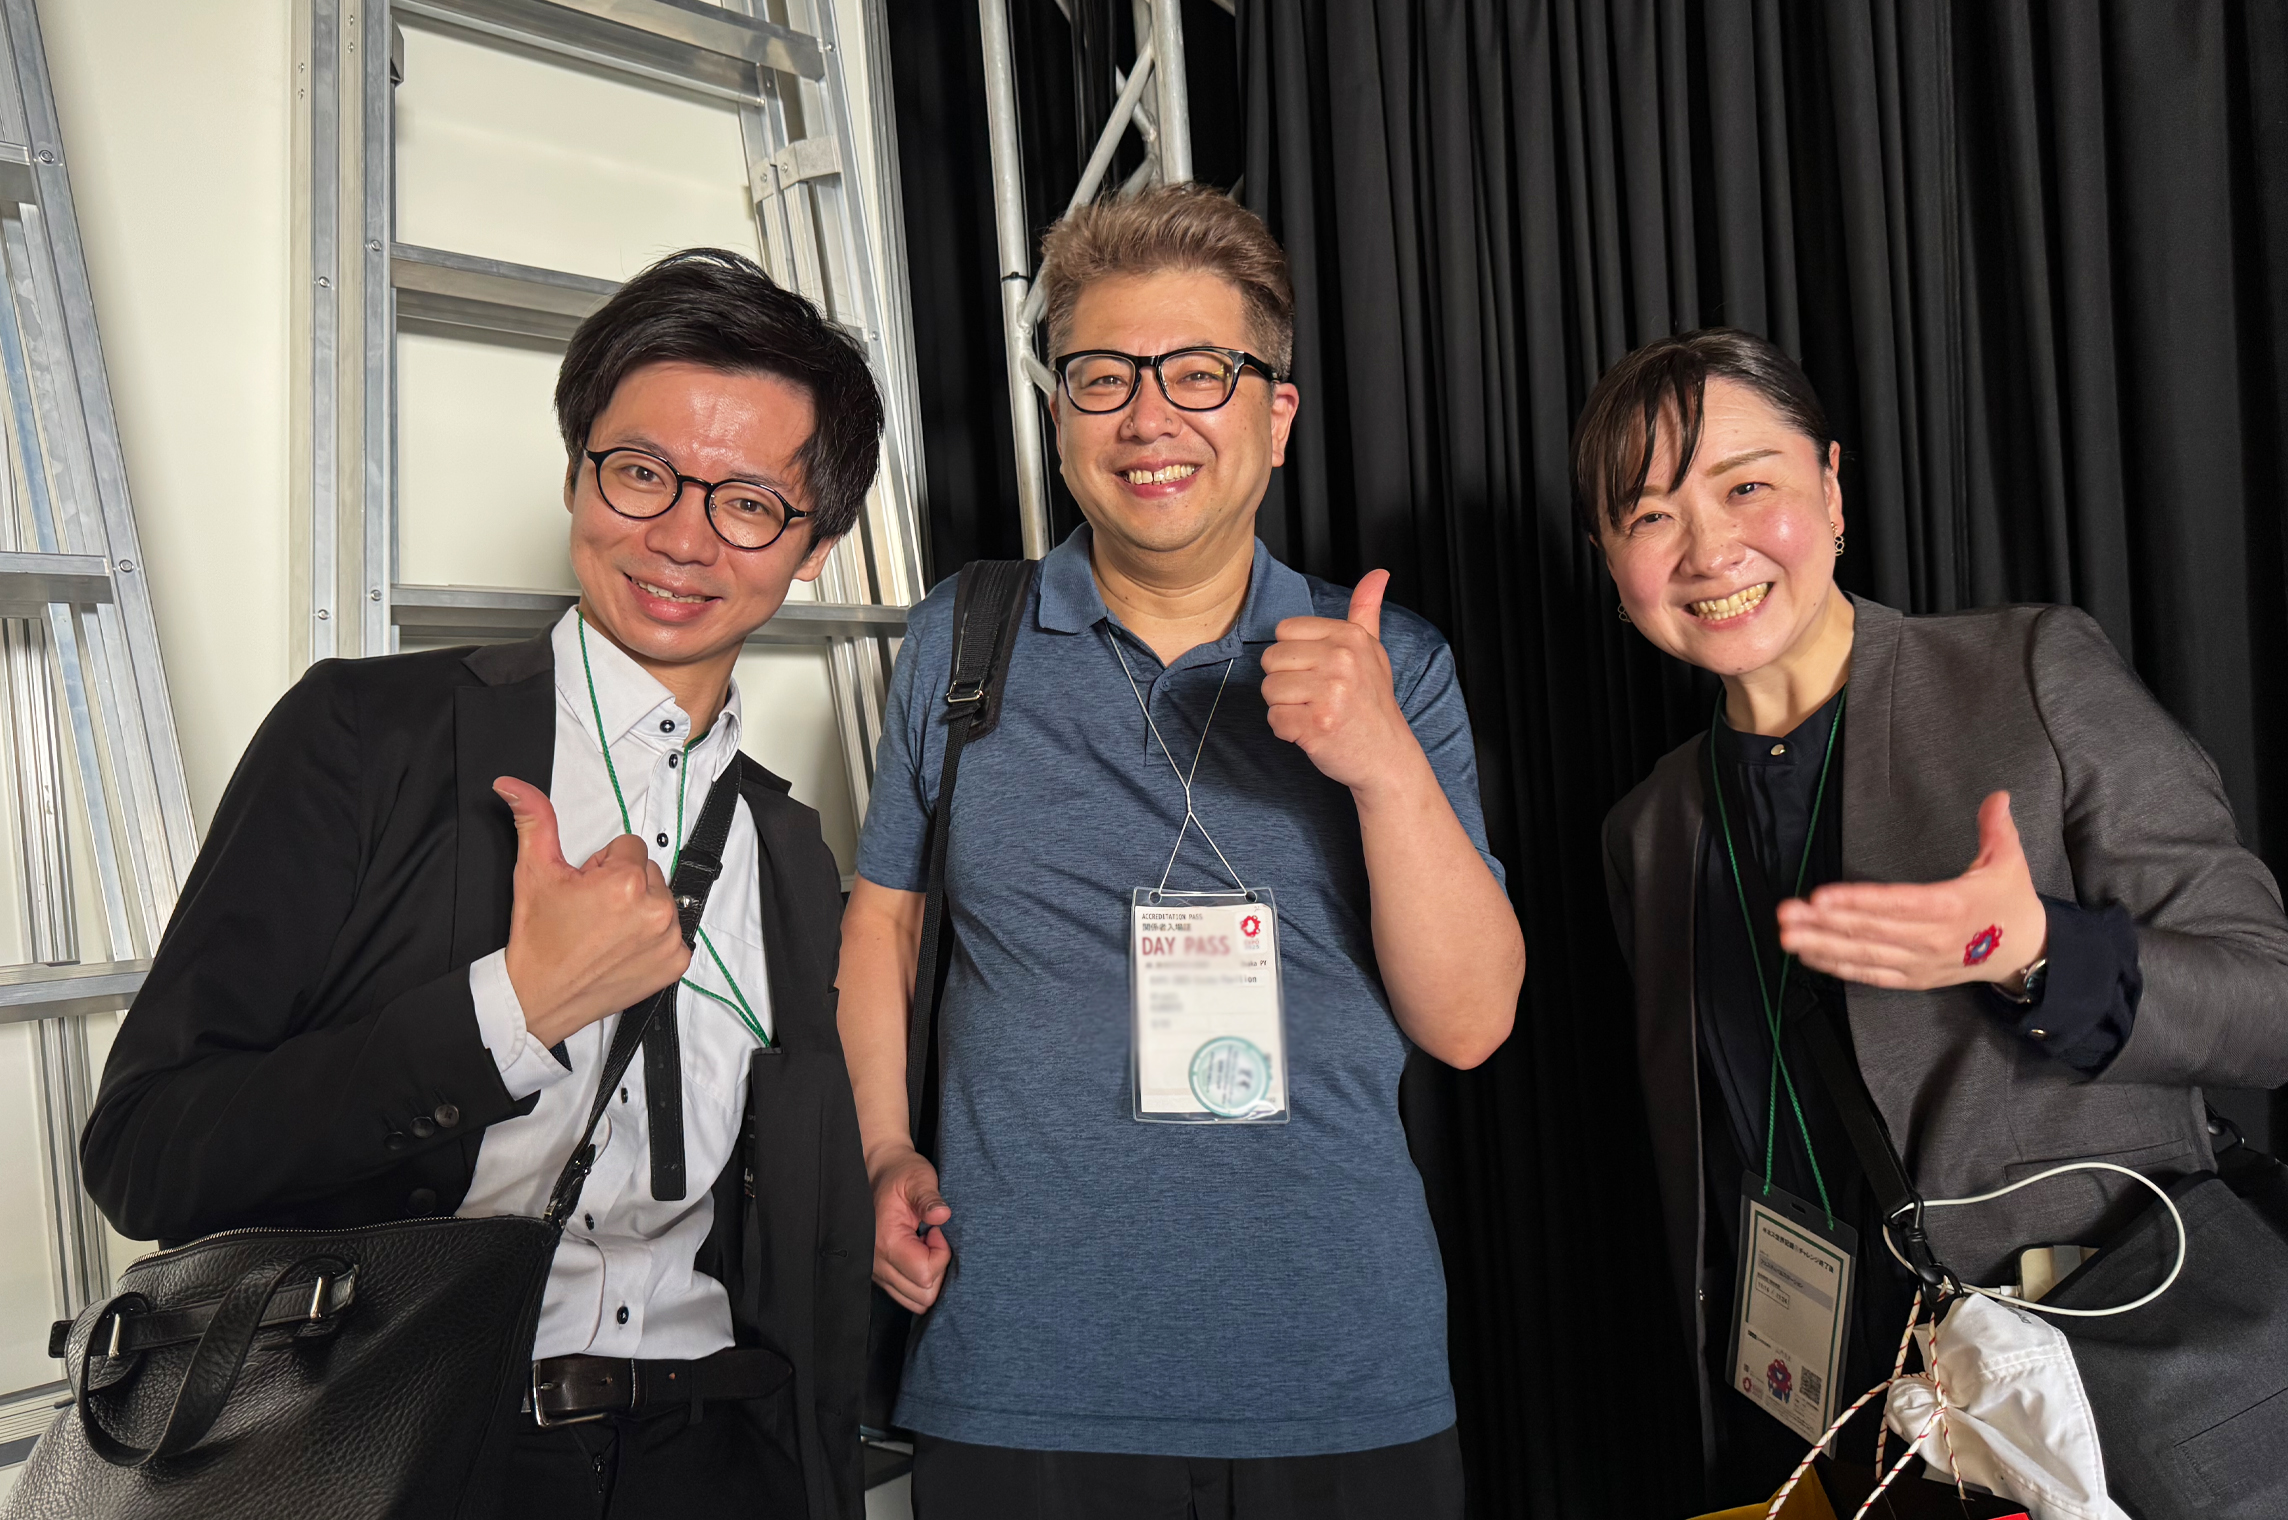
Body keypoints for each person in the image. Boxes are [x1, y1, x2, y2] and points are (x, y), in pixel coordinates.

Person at [81, 249, 875, 1520]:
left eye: (747, 503)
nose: (680, 535)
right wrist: (512, 1008)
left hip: (714, 1455)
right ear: (575, 473)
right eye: (640, 472)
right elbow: (145, 1152)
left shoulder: (788, 846)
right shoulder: (367, 736)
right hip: (407, 1453)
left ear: (815, 545)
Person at [836, 185, 1525, 1516]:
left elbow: (1471, 1023)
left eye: (1200, 373)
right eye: (1102, 376)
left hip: (1338, 1365)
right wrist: (879, 1150)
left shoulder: (1391, 663)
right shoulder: (962, 639)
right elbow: (885, 918)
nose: (1148, 418)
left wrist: (1381, 759)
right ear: (1059, 417)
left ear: (1276, 416)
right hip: (1021, 1362)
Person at [1586, 327, 2288, 1508]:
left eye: (1745, 486)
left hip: (2113, 1389)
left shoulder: (2027, 674)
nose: (1706, 548)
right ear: (1610, 563)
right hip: (1851, 1424)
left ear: (1831, 490)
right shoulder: (1648, 829)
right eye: (1648, 515)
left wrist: (2038, 954)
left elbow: (2265, 1004)